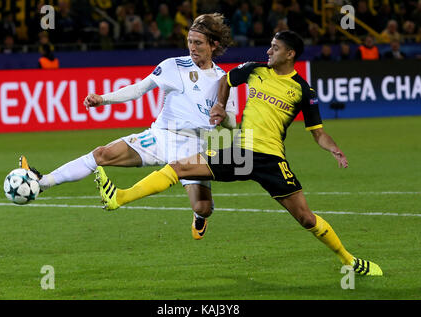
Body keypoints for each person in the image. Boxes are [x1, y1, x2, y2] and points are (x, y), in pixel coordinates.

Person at [95, 30, 383, 276]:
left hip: (272, 160)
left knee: (306, 218)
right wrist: (219, 106)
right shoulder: (255, 70)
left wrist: (333, 148)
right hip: (241, 152)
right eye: (269, 45)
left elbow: (318, 132)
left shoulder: (303, 91)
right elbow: (225, 81)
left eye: (275, 47)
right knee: (180, 168)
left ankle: (350, 260)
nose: (268, 50)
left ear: (290, 54)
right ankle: (120, 197)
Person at [20, 13, 237, 240]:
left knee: (204, 207)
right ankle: (44, 182)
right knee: (103, 153)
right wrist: (103, 99)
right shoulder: (174, 66)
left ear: (214, 45)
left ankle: (199, 216)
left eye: (198, 43)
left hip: (194, 148)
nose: (192, 47)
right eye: (190, 41)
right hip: (161, 136)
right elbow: (138, 89)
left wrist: (223, 117)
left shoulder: (224, 80)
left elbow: (232, 121)